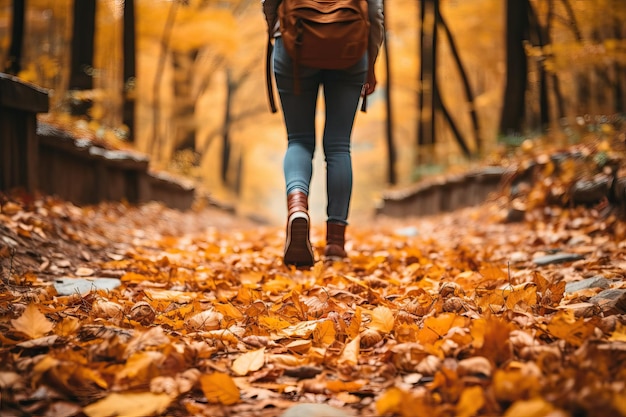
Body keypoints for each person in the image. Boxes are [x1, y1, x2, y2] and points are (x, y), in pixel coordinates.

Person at [262, 0, 385, 268]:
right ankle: (335, 244)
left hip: (293, 41)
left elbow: (269, 3)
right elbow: (375, 13)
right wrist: (371, 62)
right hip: (350, 47)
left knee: (299, 140)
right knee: (339, 146)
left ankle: (297, 207)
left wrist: (277, 30)